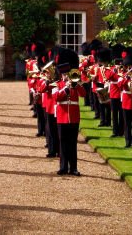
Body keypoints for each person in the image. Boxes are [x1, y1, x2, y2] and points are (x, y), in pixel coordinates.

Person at [53, 48, 84, 176]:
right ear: (61, 74)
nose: (66, 76)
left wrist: (76, 85)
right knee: (63, 143)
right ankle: (63, 167)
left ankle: (74, 168)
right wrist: (66, 88)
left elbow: (83, 94)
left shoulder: (76, 83)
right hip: (62, 116)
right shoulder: (58, 84)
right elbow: (56, 97)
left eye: (68, 73)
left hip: (74, 117)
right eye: (65, 74)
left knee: (73, 143)